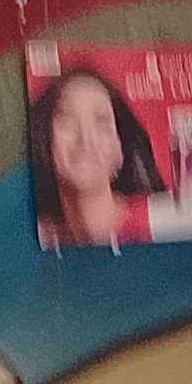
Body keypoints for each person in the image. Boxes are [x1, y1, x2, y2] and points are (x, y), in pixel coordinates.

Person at [29, 65, 163, 251]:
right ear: (44, 141)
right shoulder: (35, 238)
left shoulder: (161, 220)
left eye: (101, 123)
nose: (86, 140)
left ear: (120, 148)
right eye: (67, 121)